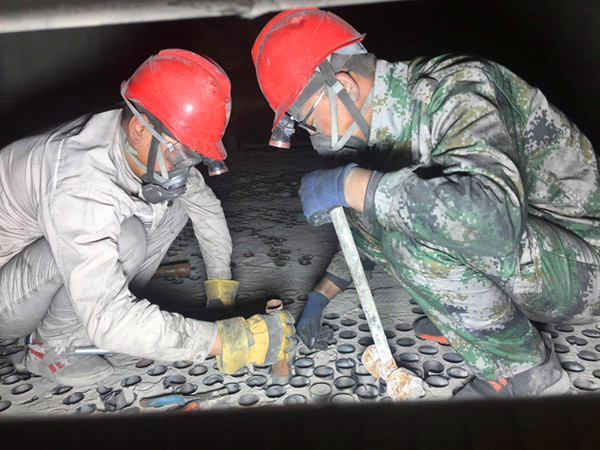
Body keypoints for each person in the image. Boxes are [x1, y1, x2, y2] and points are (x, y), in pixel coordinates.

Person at [252, 8, 600, 398]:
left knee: (404, 229)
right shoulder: (392, 122)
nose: (311, 132)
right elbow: (367, 227)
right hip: (541, 258)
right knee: (372, 208)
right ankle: (473, 318)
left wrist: (352, 184)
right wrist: (320, 297)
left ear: (344, 87)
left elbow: (493, 222)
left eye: (304, 118)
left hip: (587, 266)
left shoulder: (460, 88)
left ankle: (526, 371)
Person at [0, 49, 294, 386]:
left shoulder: (141, 136)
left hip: (34, 266)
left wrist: (220, 290)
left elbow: (206, 207)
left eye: (195, 156)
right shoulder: (78, 185)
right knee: (127, 239)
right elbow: (110, 320)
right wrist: (228, 340)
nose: (187, 166)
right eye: (183, 154)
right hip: (7, 296)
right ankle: (48, 348)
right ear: (139, 129)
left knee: (177, 205)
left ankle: (97, 314)